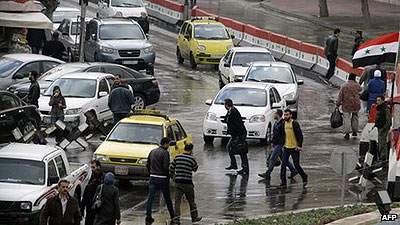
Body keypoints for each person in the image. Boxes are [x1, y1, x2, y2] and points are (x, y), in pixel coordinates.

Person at [258, 109, 297, 181]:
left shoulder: (282, 123)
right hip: (276, 144)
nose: (273, 115)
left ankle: (268, 173)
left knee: (272, 158)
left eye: (274, 113)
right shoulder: (276, 122)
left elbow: (285, 134)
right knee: (283, 159)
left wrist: (283, 144)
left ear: (278, 114)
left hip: (280, 144)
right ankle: (293, 170)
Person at [169, 143, 202, 223]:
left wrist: (173, 177)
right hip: (188, 183)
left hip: (178, 183)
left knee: (177, 202)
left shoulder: (177, 157)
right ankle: (194, 217)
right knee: (191, 201)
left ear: (184, 148)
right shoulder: (192, 159)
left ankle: (176, 218)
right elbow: (195, 168)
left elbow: (171, 168)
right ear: (191, 150)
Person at [145, 137, 175, 224]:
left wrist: (151, 172)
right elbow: (165, 167)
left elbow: (147, 164)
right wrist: (168, 175)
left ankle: (148, 215)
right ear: (165, 144)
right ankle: (172, 215)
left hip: (153, 177)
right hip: (162, 178)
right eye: (168, 144)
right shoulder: (165, 153)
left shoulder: (152, 151)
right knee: (167, 198)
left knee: (150, 197)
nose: (169, 146)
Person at [280, 109, 308, 188]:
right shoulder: (283, 124)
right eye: (285, 115)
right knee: (283, 165)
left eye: (287, 115)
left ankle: (304, 176)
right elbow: (282, 135)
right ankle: (283, 183)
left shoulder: (294, 124)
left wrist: (299, 146)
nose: (286, 116)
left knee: (296, 165)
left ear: (291, 115)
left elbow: (300, 135)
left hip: (294, 148)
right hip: (286, 148)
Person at [224, 98, 249, 175]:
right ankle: (234, 164)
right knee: (229, 148)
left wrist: (238, 137)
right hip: (236, 135)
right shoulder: (230, 111)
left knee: (241, 150)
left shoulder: (234, 112)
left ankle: (245, 168)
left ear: (226, 104)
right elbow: (227, 120)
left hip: (239, 135)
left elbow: (238, 125)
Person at [336, 73, 362, 139]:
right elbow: (360, 89)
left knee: (346, 118)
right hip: (356, 104)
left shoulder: (344, 86)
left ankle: (347, 133)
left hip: (346, 104)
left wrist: (338, 104)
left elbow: (340, 96)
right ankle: (355, 131)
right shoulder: (357, 86)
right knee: (355, 117)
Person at [375, 96, 392, 161]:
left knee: (382, 142)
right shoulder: (380, 108)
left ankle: (383, 156)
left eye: (379, 100)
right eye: (377, 100)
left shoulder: (385, 109)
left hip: (383, 127)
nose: (377, 102)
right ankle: (381, 155)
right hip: (380, 126)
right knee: (380, 141)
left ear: (382, 101)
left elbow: (388, 119)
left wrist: (385, 127)